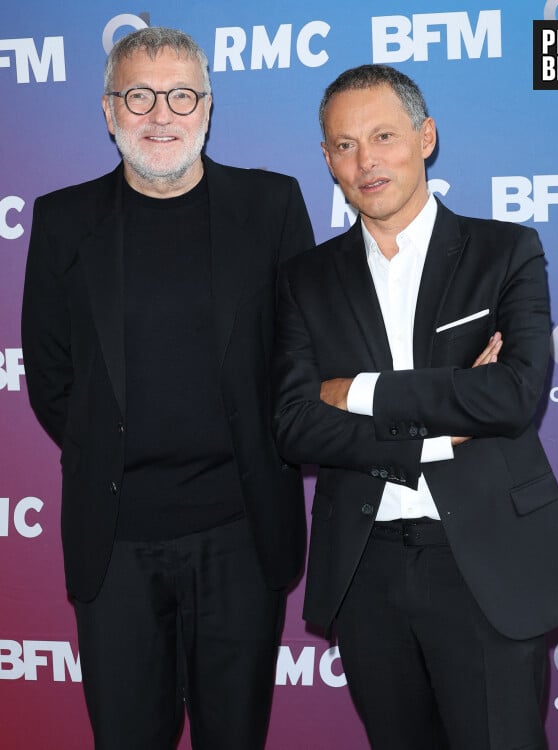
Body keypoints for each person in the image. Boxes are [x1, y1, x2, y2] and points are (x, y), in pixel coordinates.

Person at [21, 26, 313, 750]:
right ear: (108, 109)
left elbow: (301, 356)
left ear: (209, 108)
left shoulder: (272, 206)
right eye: (139, 95)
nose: (161, 114)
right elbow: (52, 374)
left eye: (182, 95)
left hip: (242, 534)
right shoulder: (63, 221)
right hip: (115, 542)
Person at [273, 64, 558, 750]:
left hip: (485, 565)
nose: (365, 161)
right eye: (344, 145)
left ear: (426, 137)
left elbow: (510, 395)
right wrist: (439, 432)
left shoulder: (505, 250)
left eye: (383, 135)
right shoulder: (305, 279)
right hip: (365, 571)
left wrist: (356, 390)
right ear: (326, 159)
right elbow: (293, 424)